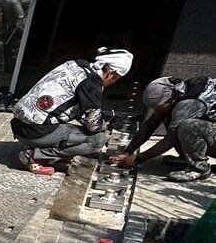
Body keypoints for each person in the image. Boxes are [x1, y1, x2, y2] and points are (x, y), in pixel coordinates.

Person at [10, 46, 133, 174]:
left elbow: (78, 108)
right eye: (117, 79)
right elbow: (93, 125)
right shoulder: (91, 83)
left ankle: (44, 150)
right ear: (110, 74)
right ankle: (35, 155)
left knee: (74, 129)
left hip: (19, 124)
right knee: (97, 140)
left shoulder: (78, 64)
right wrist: (105, 128)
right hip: (34, 132)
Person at [111, 75, 216, 183]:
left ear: (169, 99)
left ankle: (199, 169)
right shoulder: (179, 93)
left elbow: (170, 139)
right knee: (172, 119)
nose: (156, 110)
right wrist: (128, 151)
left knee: (188, 126)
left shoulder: (190, 104)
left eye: (158, 106)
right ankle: (187, 158)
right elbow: (150, 125)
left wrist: (138, 159)